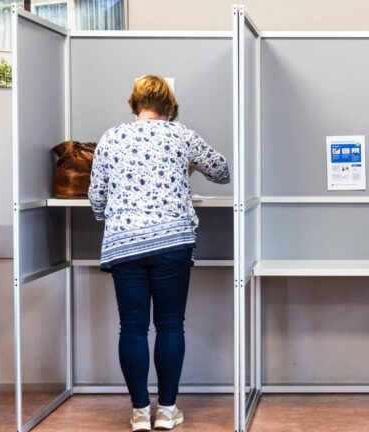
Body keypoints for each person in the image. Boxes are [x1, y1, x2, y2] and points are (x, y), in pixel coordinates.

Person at [89, 75, 230, 431]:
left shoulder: (111, 138)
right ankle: (166, 410)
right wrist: (190, 168)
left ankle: (139, 413)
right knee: (170, 324)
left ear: (135, 103)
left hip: (125, 243)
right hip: (172, 242)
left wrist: (120, 214)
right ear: (170, 105)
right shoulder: (182, 135)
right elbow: (223, 171)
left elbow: (97, 201)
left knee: (132, 327)